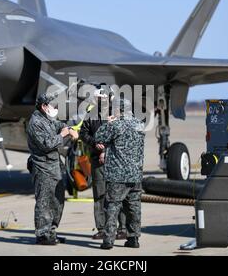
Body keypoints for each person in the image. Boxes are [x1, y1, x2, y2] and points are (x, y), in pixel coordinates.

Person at [27, 93, 78, 245]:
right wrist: (63, 135)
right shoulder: (36, 122)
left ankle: (51, 231)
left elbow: (59, 125)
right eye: (53, 106)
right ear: (44, 106)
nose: (56, 108)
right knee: (44, 202)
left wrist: (68, 128)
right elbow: (47, 144)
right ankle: (42, 234)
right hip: (43, 168)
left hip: (54, 167)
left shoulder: (47, 119)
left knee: (57, 201)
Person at [95, 98, 145, 250]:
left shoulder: (116, 125)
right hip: (135, 173)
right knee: (134, 207)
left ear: (118, 110)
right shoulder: (140, 124)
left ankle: (108, 240)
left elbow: (98, 137)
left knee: (113, 206)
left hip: (118, 174)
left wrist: (108, 123)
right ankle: (133, 238)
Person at [80, 88, 127, 241]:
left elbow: (123, 135)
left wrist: (106, 150)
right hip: (97, 161)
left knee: (117, 195)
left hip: (115, 160)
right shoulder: (91, 115)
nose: (102, 101)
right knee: (99, 194)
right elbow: (83, 133)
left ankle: (122, 228)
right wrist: (95, 143)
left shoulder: (118, 114)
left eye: (105, 98)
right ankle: (102, 228)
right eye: (99, 99)